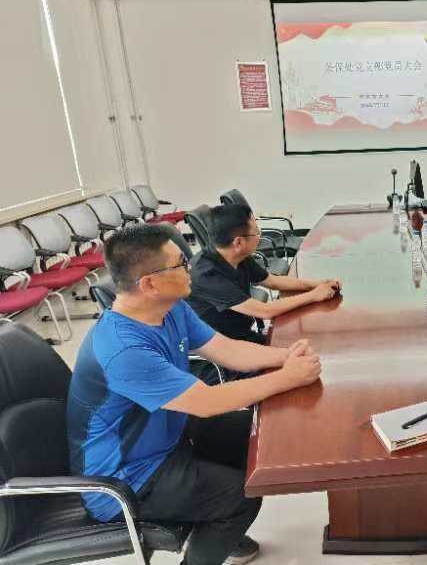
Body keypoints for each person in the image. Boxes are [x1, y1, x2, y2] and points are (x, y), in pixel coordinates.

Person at [67, 224, 322, 565]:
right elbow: (207, 402)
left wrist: (285, 357)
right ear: (149, 284)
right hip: (125, 480)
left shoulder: (169, 307)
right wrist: (289, 377)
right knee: (240, 497)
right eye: (180, 264)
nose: (191, 268)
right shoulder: (124, 349)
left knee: (258, 434)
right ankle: (215, 530)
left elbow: (227, 349)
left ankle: (216, 528)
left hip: (166, 435)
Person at [187, 204, 341, 345]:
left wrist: (318, 284)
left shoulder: (235, 255)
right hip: (222, 347)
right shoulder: (206, 275)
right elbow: (265, 311)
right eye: (256, 232)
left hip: (241, 334)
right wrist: (314, 295)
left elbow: (272, 281)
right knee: (303, 351)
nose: (259, 236)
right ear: (238, 242)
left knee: (305, 342)